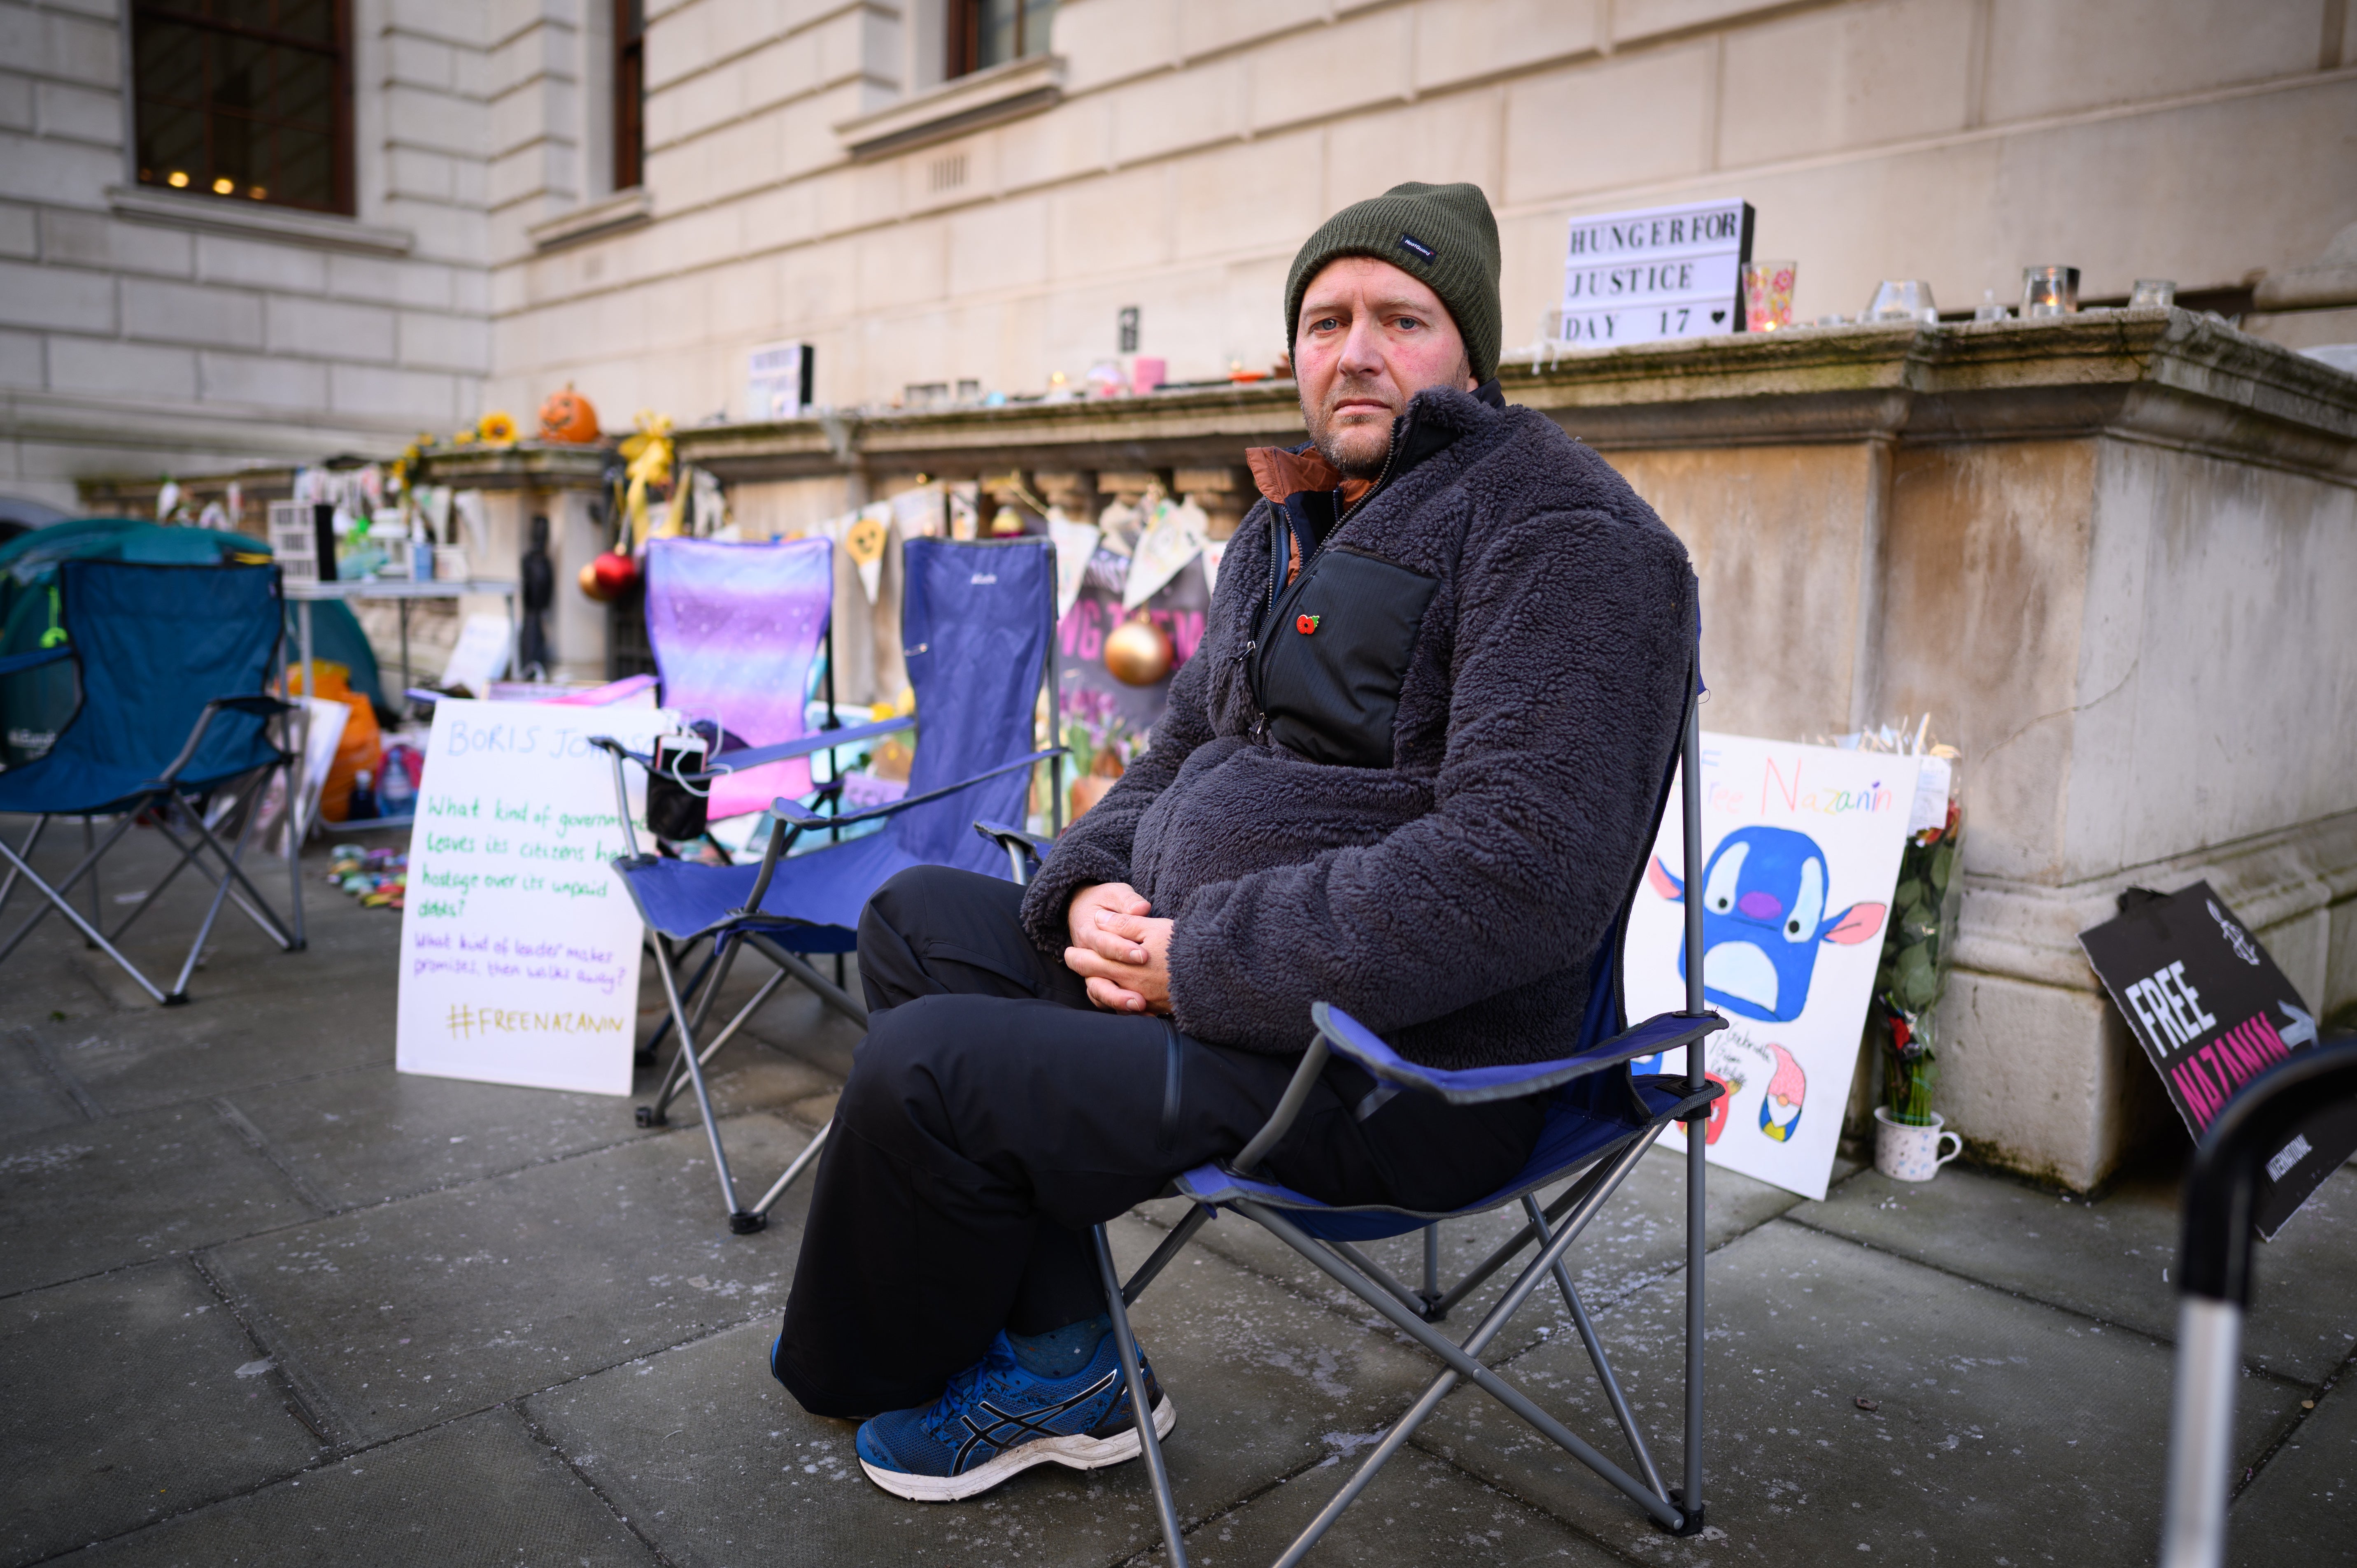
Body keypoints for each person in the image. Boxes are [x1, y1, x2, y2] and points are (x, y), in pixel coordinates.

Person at [771, 181, 1696, 1503]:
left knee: (930, 1067)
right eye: (1325, 321)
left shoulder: (1566, 531)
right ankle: (1061, 1350)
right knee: (920, 918)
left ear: (1473, 356)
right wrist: (1087, 883)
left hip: (1403, 1066)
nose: (1356, 351)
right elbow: (1181, 750)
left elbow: (1521, 869)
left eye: (1402, 318)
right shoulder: (1289, 519)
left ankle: (907, 1359)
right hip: (1233, 1005)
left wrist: (1196, 957)